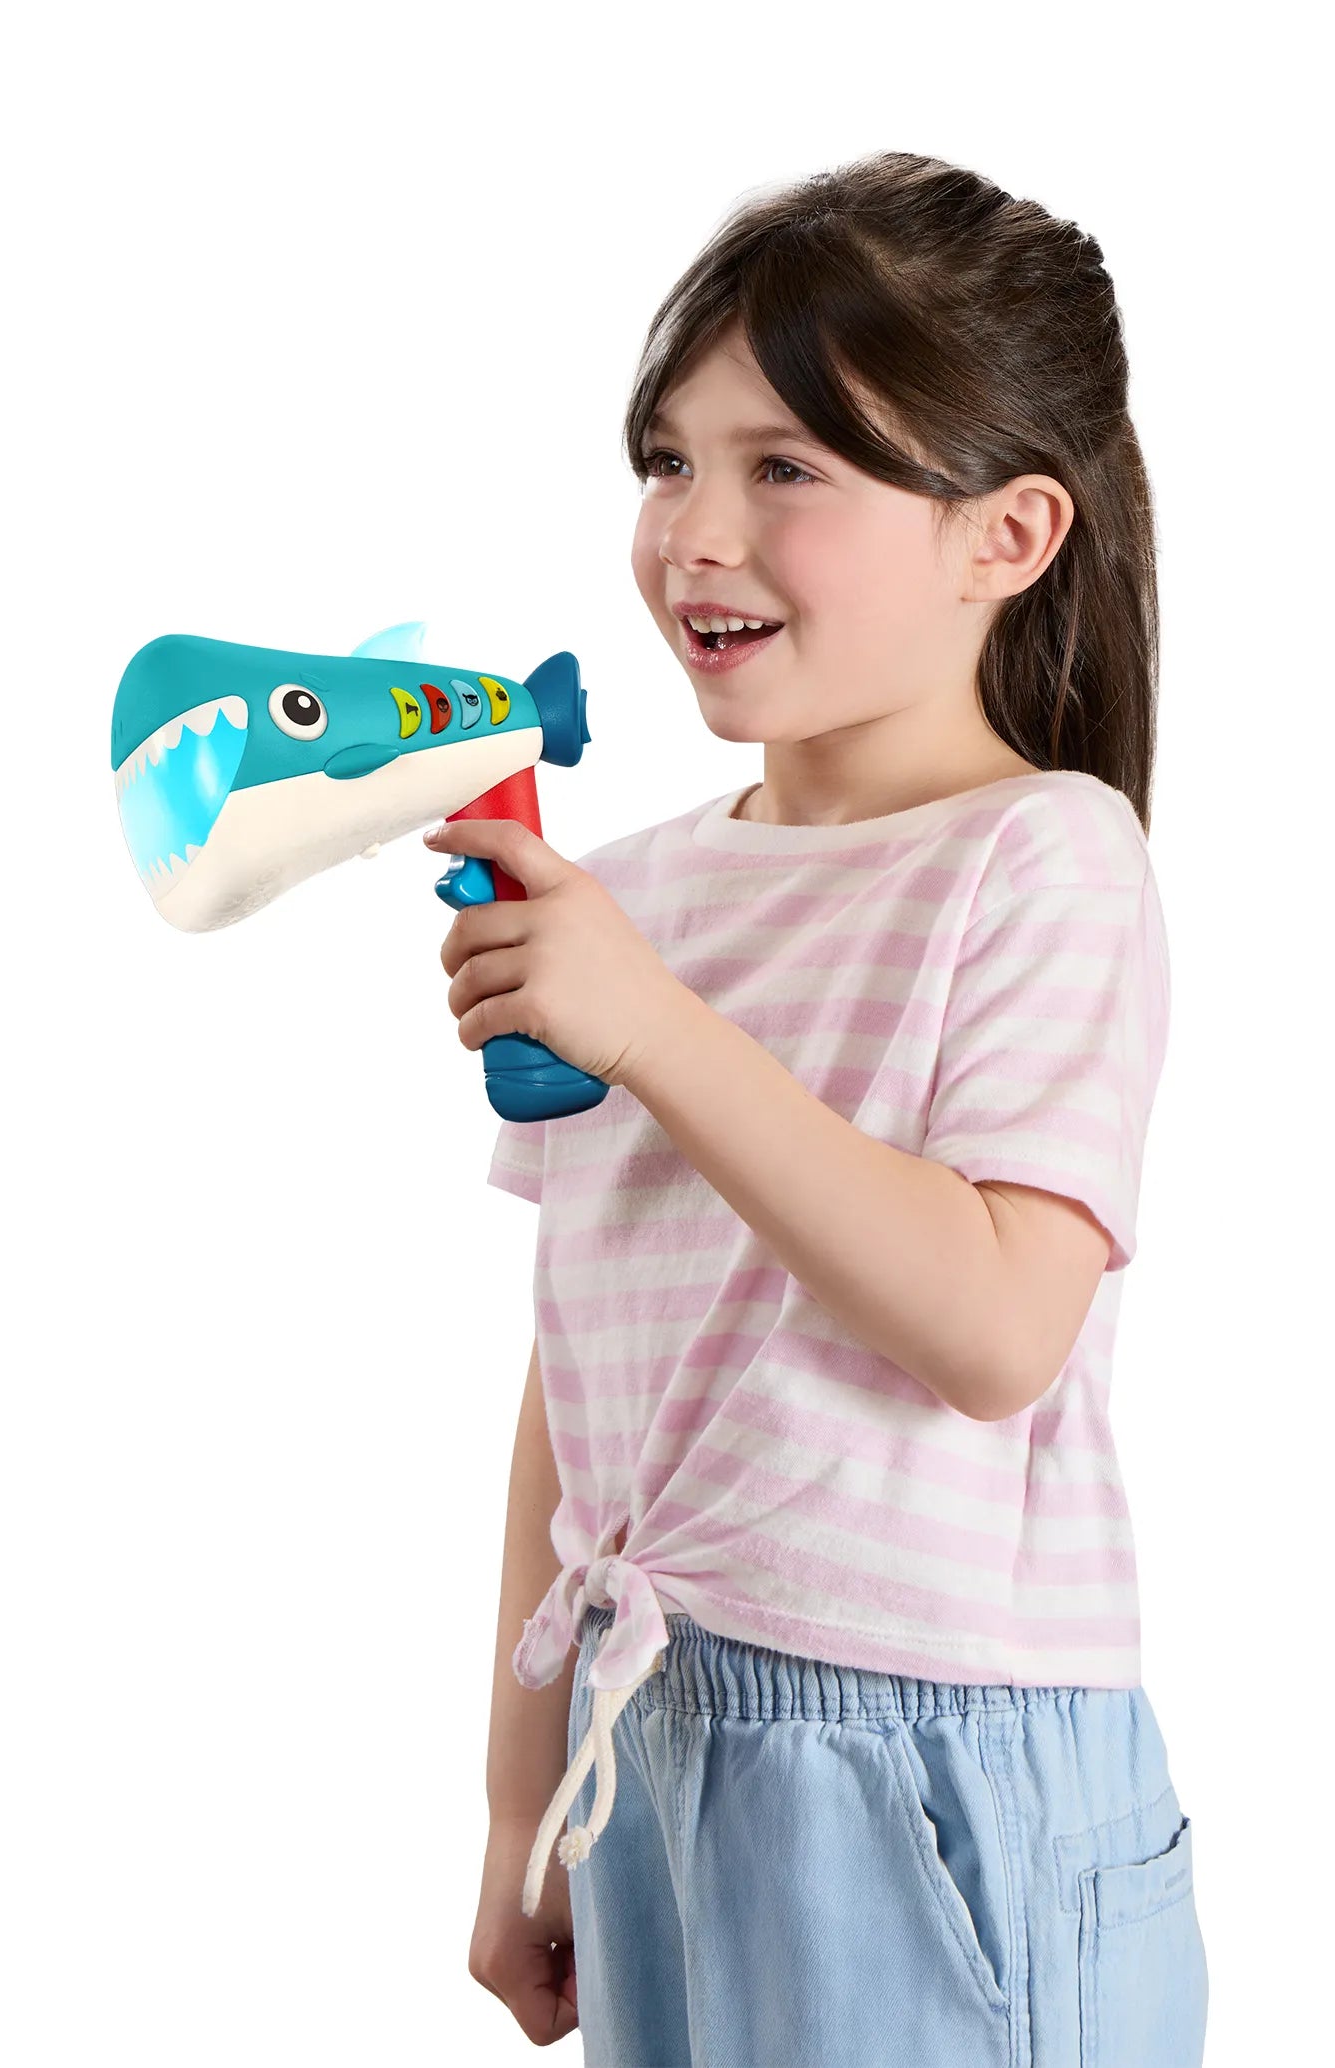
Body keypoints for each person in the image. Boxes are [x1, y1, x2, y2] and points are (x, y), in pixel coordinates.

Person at [441, 150, 1208, 2066]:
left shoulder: (1045, 857)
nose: (696, 532)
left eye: (786, 467)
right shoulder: (632, 891)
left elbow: (996, 1327)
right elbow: (577, 1381)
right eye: (669, 461)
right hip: (646, 1734)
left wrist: (651, 1028)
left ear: (1006, 535)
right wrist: (517, 1803)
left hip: (929, 1759)